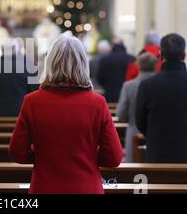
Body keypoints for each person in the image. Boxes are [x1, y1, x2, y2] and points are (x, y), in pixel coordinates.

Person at [9, 34, 123, 194]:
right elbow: (114, 158)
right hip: (86, 187)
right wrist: (87, 156)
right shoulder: (97, 103)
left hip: (45, 187)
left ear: (51, 63)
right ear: (83, 64)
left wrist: (45, 156)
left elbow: (17, 153)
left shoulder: (32, 102)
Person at [136, 34, 187, 163]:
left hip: (157, 156)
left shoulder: (147, 86)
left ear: (160, 56)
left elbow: (140, 121)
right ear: (184, 55)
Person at [117, 53, 158, 162]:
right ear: (155, 66)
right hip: (157, 133)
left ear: (138, 66)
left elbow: (121, 114)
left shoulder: (129, 85)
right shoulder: (161, 84)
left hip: (134, 131)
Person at [0, 40, 38, 117]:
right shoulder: (27, 67)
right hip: (21, 114)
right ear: (16, 50)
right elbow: (34, 92)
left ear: (2, 50)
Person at [97, 39, 135, 103]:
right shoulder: (132, 59)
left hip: (110, 95)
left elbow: (99, 77)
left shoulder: (104, 60)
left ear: (112, 46)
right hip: (128, 96)